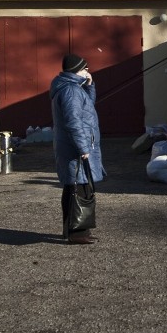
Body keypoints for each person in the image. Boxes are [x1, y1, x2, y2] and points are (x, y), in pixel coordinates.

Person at [50, 53, 106, 244]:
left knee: (73, 187)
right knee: (79, 189)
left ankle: (72, 230)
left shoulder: (72, 87)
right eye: (85, 69)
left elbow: (87, 106)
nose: (88, 71)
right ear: (76, 70)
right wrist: (83, 147)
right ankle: (78, 233)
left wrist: (90, 86)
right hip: (75, 148)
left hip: (72, 146)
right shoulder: (71, 91)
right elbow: (73, 121)